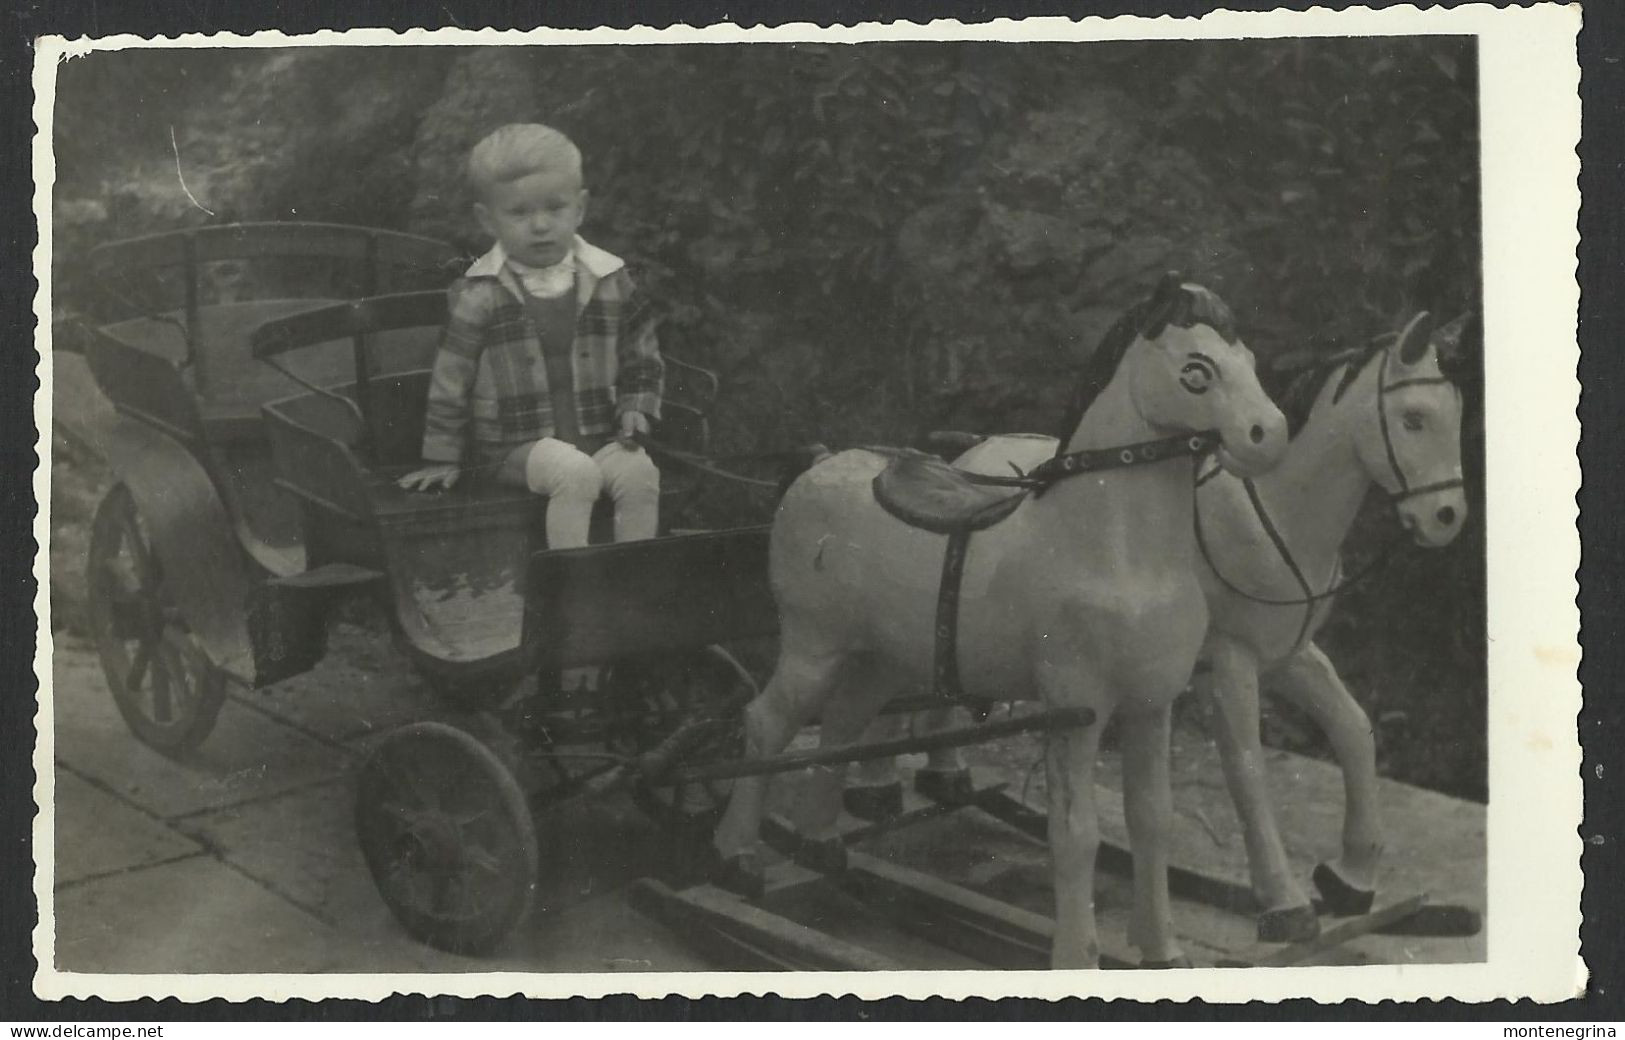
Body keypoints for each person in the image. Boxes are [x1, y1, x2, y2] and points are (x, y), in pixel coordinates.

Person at [398, 123, 663, 550]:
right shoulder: (480, 293)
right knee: (574, 475)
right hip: (511, 447)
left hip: (597, 432)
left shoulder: (609, 279)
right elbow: (451, 379)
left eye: (555, 208)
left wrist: (636, 407)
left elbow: (642, 356)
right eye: (519, 213)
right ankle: (571, 588)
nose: (540, 225)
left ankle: (632, 580)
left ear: (579, 209)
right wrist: (443, 456)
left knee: (639, 474)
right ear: (488, 219)